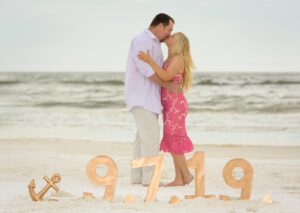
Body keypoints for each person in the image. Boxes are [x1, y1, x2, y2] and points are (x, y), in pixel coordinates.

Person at [125, 13, 179, 186]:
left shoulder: (155, 42)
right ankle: (149, 179)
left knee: (142, 138)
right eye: (169, 30)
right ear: (160, 26)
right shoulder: (142, 40)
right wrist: (167, 85)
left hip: (149, 98)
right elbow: (147, 72)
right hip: (142, 96)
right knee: (150, 138)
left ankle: (137, 177)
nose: (170, 34)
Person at [137, 32, 194, 186]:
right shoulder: (170, 58)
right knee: (171, 138)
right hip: (170, 105)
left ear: (178, 42)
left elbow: (165, 76)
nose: (170, 36)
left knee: (174, 138)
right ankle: (179, 179)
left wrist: (149, 60)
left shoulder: (178, 59)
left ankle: (187, 175)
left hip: (176, 105)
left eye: (173, 36)